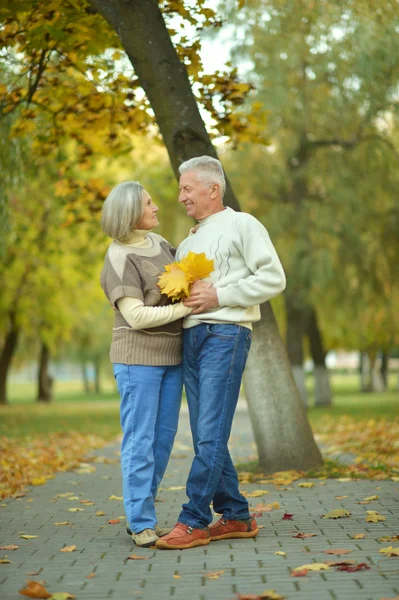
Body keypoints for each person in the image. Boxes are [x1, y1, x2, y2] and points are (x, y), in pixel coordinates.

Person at [156, 156, 286, 550]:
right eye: (180, 189)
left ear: (213, 189)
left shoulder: (243, 224)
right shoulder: (191, 238)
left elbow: (273, 277)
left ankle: (194, 519)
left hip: (226, 335)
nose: (180, 197)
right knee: (205, 435)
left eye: (187, 188)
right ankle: (236, 516)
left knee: (210, 433)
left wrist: (220, 294)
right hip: (192, 338)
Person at [100, 181, 192, 547]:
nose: (156, 208)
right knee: (140, 440)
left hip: (172, 355)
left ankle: (143, 510)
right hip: (137, 359)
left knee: (163, 440)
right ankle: (140, 522)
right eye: (148, 203)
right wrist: (186, 308)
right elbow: (135, 316)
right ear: (130, 214)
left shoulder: (161, 245)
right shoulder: (118, 257)